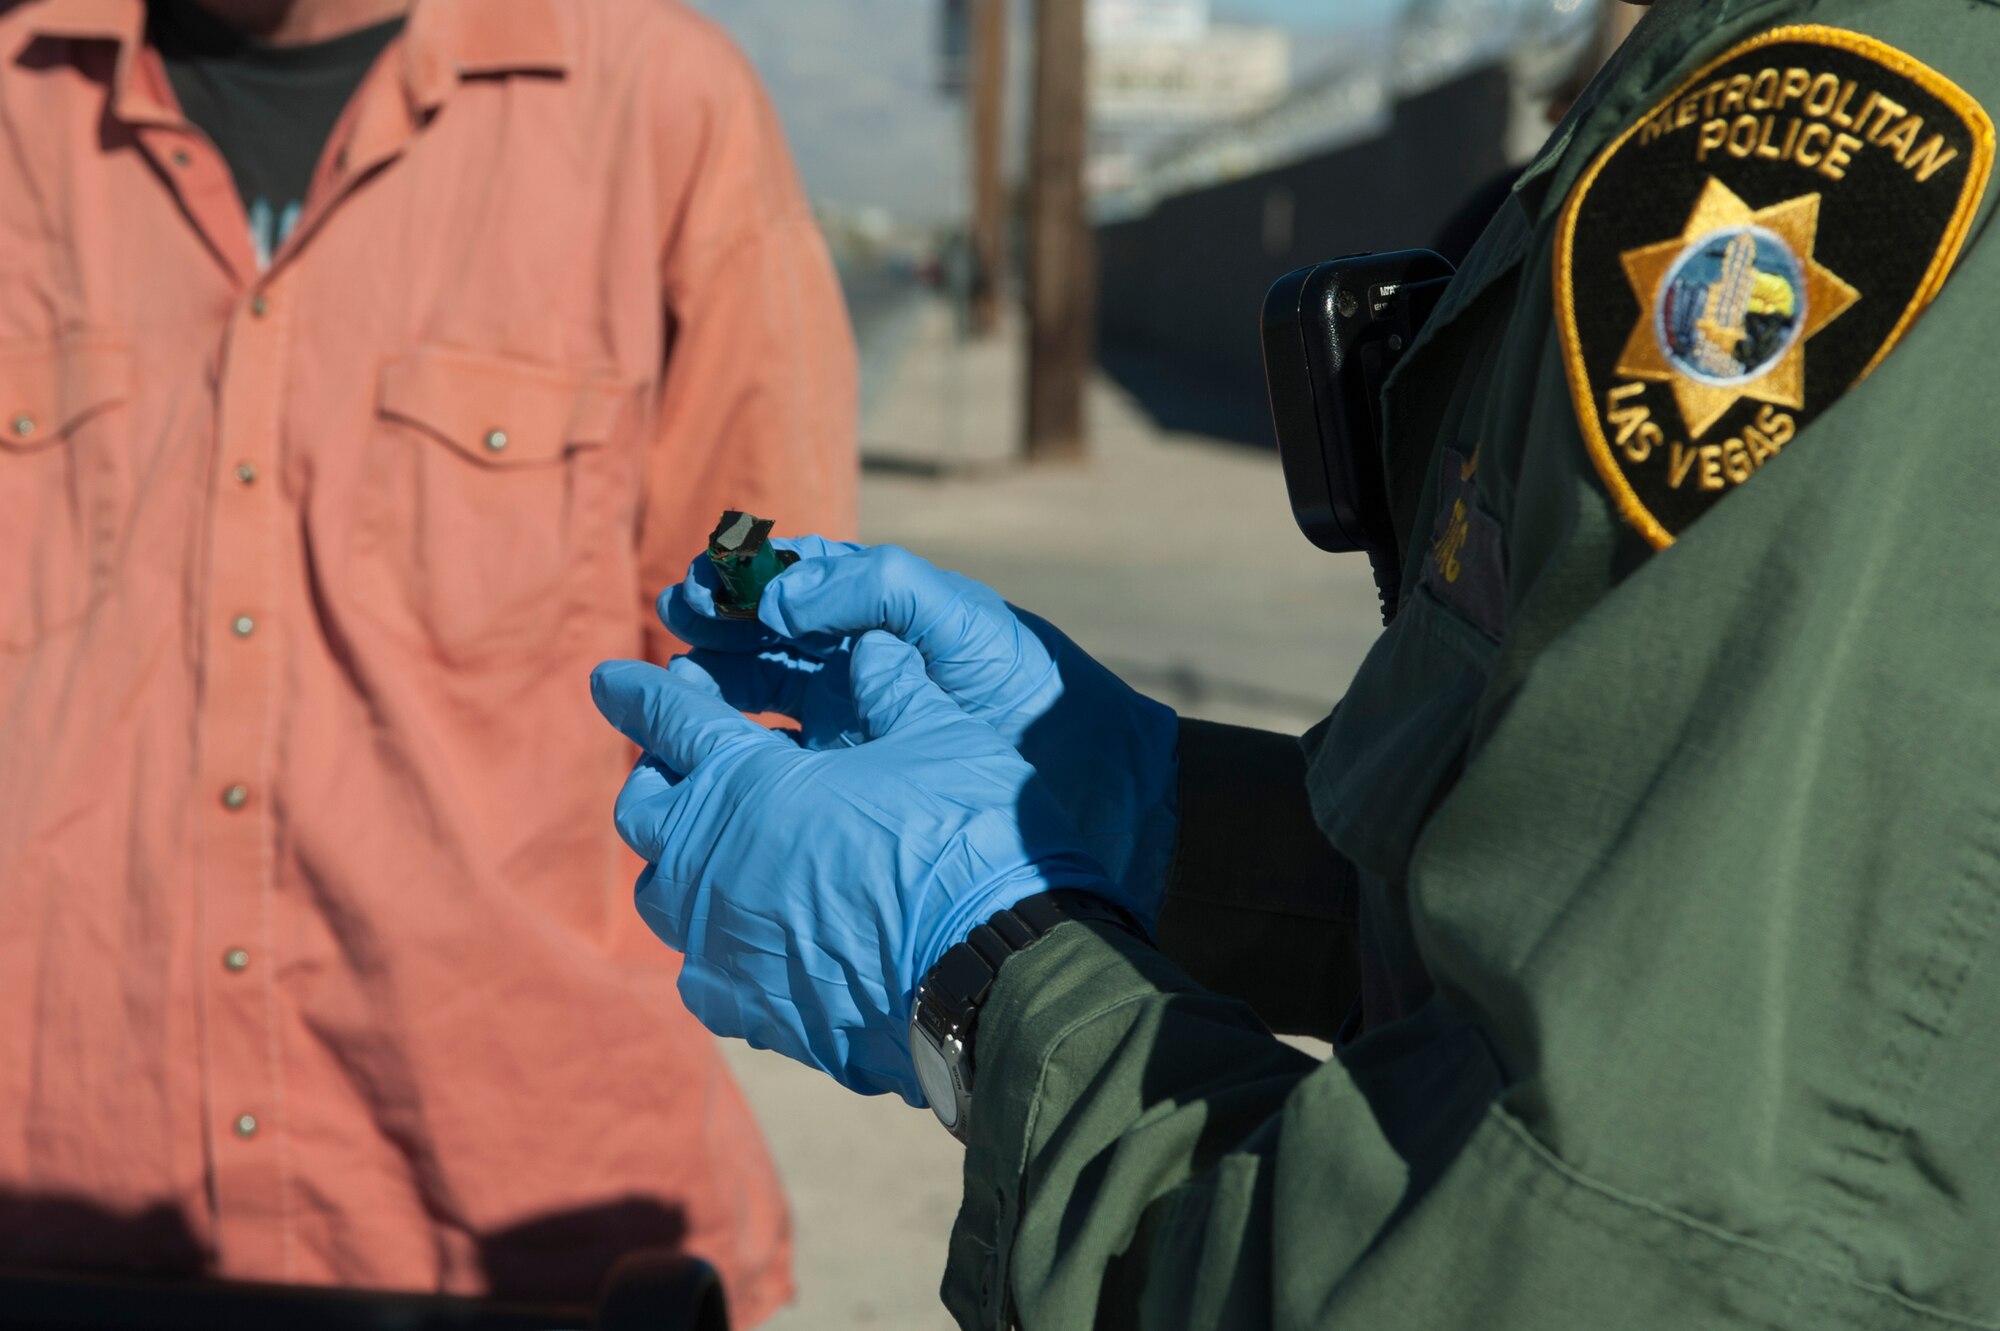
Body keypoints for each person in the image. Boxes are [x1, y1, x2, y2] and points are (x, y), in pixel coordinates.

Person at [589, 0, 2000, 1325]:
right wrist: (1157, 817)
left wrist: (983, 973)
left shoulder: (1841, 139)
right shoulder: (1712, 77)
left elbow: (1563, 1267)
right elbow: (1616, 908)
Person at [0, 0, 854, 1320]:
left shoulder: (656, 104)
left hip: (523, 1219)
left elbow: (768, 624)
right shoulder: (18, 105)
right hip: (53, 1200)